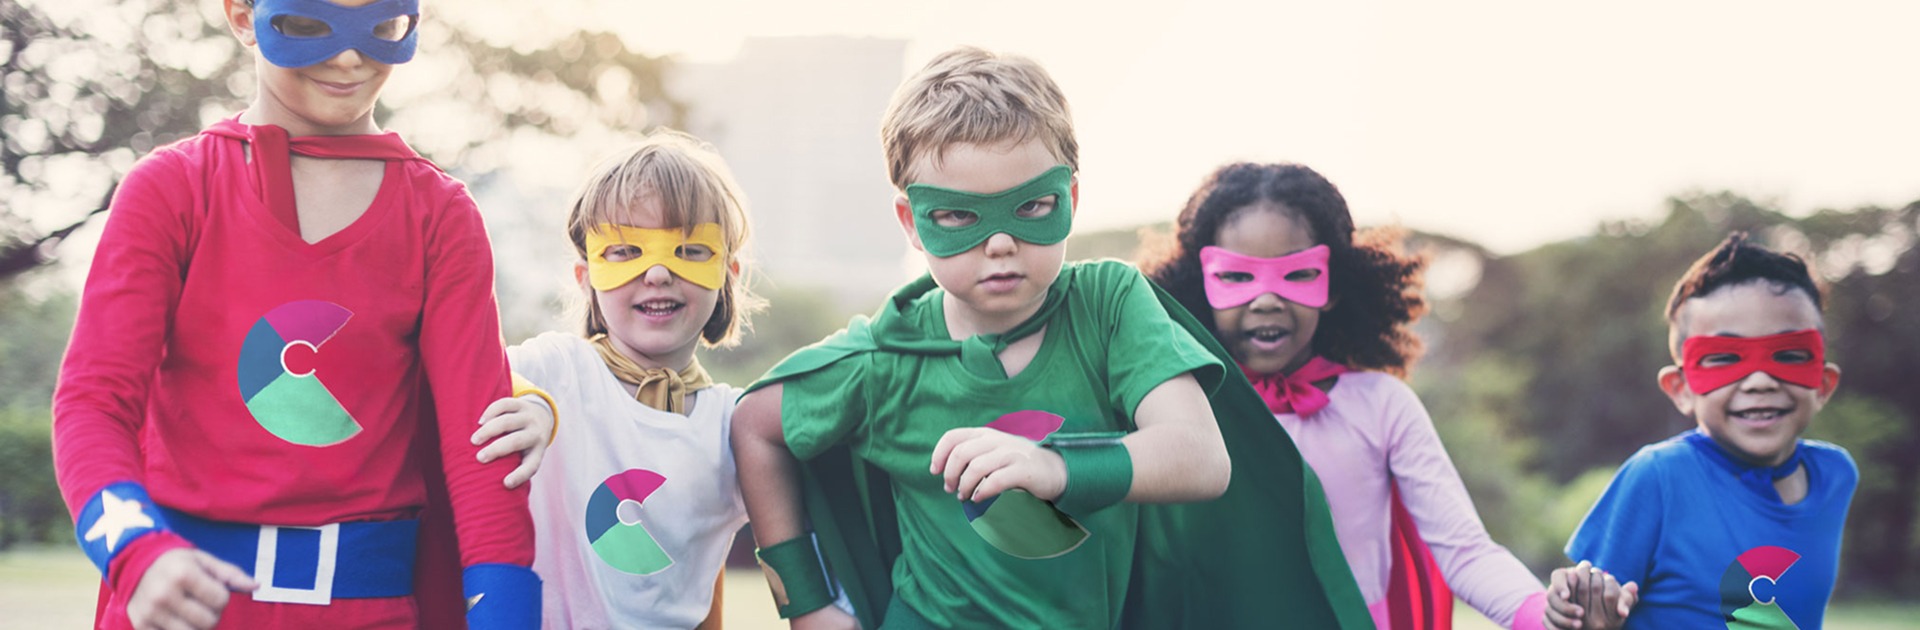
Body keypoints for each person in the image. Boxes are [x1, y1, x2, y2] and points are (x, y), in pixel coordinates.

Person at [731, 47, 1372, 629]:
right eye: (958, 216)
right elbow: (754, 425)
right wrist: (806, 603)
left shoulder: (1109, 306)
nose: (1001, 243)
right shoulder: (883, 362)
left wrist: (1054, 466)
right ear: (911, 220)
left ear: (1069, 193)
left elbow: (1202, 458)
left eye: (1031, 207)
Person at [52, 1, 539, 627]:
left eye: (383, 26)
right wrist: (134, 551)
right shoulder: (173, 188)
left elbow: (479, 444)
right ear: (242, 16)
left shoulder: (440, 214)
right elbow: (93, 402)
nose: (347, 56)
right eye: (309, 24)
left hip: (369, 609)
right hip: (182, 607)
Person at [1141, 161, 1634, 630]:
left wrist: (1546, 614)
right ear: (1199, 284)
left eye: (1297, 274)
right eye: (1236, 276)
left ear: (1333, 283)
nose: (1267, 298)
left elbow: (1464, 549)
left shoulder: (1382, 405)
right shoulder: (1176, 407)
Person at [465, 130, 762, 628]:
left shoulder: (733, 424)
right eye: (625, 251)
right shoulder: (557, 369)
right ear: (586, 278)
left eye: (689, 250)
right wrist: (535, 404)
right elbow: (475, 378)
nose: (658, 273)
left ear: (727, 274)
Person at [1563, 232, 1855, 628]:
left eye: (1788, 355)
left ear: (1822, 384)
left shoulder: (1834, 476)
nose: (1759, 381)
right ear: (1681, 389)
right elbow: (1586, 609)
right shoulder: (1659, 476)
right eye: (1723, 358)